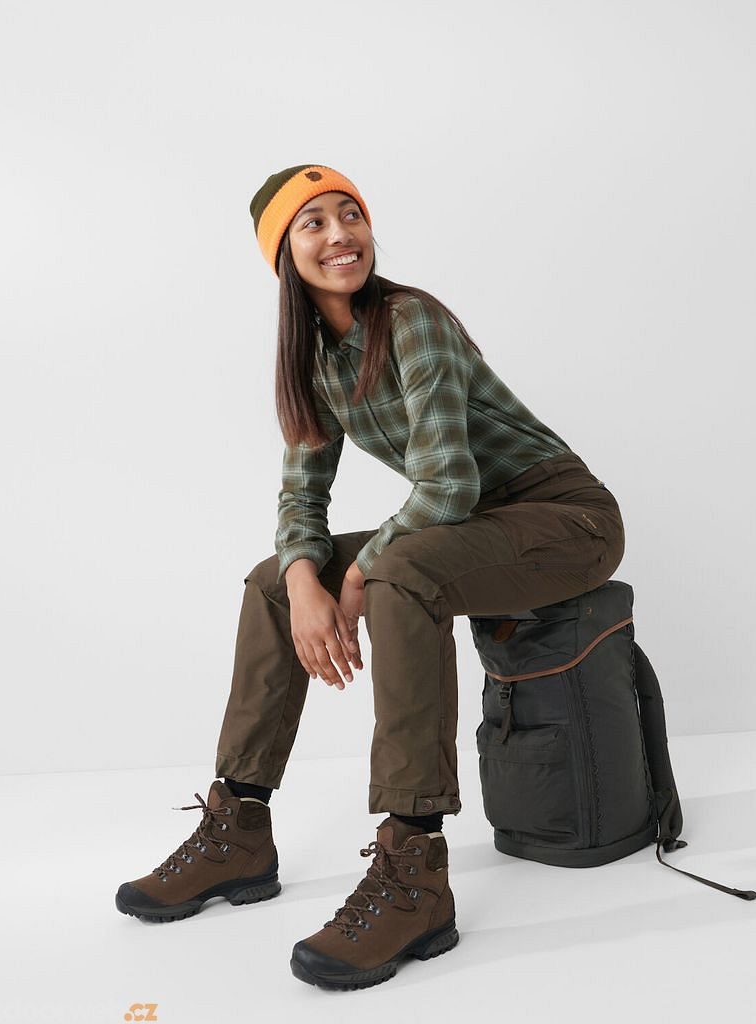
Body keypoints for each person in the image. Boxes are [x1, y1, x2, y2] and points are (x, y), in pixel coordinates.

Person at [115, 163, 626, 990]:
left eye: (349, 213)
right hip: (472, 528)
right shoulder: (312, 358)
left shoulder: (411, 320)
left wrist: (355, 579)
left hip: (566, 520)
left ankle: (414, 870)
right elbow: (301, 498)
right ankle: (238, 826)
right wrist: (305, 580)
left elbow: (448, 484)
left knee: (399, 574)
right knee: (274, 581)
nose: (340, 234)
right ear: (283, 254)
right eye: (312, 222)